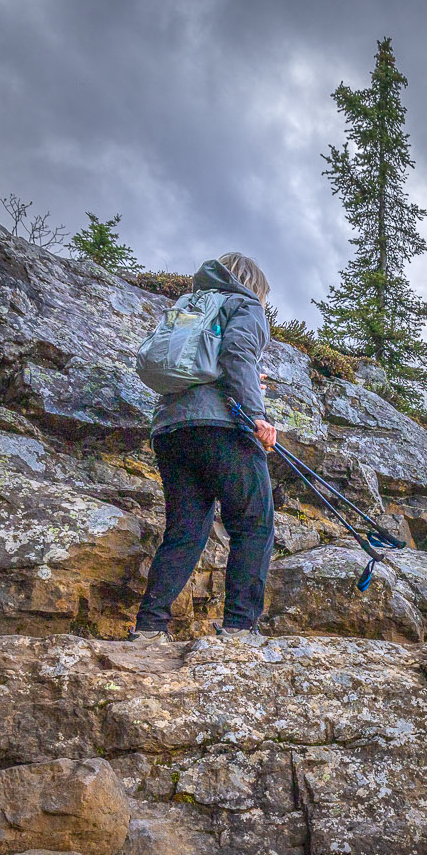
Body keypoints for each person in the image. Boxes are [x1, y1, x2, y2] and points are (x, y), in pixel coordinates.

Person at [130, 252, 280, 643]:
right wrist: (256, 414)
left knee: (185, 531)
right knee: (253, 523)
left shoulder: (190, 307)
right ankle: (239, 629)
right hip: (222, 428)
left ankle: (148, 628)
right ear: (255, 286)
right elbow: (237, 355)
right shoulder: (244, 304)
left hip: (171, 431)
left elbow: (203, 365)